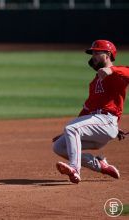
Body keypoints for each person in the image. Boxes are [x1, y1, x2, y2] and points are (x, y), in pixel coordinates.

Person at [52, 40, 129, 184]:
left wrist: (112, 70)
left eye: (96, 52)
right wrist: (67, 134)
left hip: (106, 121)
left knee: (72, 128)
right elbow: (87, 110)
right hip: (99, 125)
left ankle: (75, 169)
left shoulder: (117, 74)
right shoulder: (94, 83)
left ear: (107, 55)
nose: (92, 56)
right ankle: (99, 165)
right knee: (59, 146)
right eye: (92, 53)